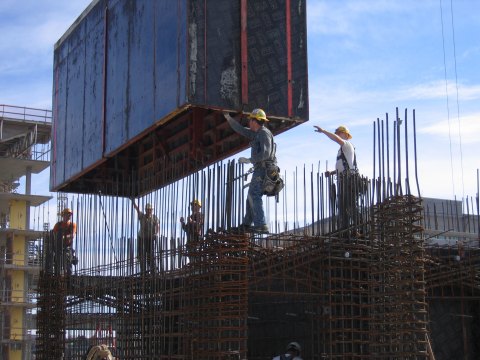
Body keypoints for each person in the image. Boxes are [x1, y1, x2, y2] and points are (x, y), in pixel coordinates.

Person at [224, 108, 276, 233]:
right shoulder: (256, 133)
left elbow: (266, 154)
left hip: (264, 170)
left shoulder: (264, 133)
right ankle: (247, 224)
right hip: (260, 169)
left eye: (250, 120)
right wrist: (228, 118)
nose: (249, 123)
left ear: (255, 121)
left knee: (254, 195)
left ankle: (261, 224)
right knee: (250, 196)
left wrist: (249, 160)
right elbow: (241, 130)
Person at [314, 125, 359, 233]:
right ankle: (346, 229)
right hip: (343, 180)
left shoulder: (347, 145)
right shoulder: (342, 150)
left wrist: (324, 131)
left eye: (339, 133)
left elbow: (335, 139)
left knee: (350, 205)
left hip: (348, 180)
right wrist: (332, 173)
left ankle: (358, 227)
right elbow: (343, 165)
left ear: (345, 134)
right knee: (342, 206)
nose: (337, 134)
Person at [132, 200, 159, 274]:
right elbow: (137, 209)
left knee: (150, 255)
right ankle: (143, 272)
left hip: (150, 239)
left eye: (150, 210)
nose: (149, 211)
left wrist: (156, 234)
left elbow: (157, 226)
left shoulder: (154, 218)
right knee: (142, 255)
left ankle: (153, 272)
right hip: (142, 238)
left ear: (152, 210)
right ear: (145, 210)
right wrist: (133, 202)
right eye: (147, 210)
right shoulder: (142, 216)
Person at [52, 207, 77, 275]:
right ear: (63, 215)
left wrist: (62, 237)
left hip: (68, 248)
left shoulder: (72, 225)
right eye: (67, 214)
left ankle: (69, 279)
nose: (69, 215)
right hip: (58, 248)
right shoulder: (58, 225)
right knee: (57, 265)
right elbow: (53, 235)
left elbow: (72, 235)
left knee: (68, 265)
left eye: (70, 214)